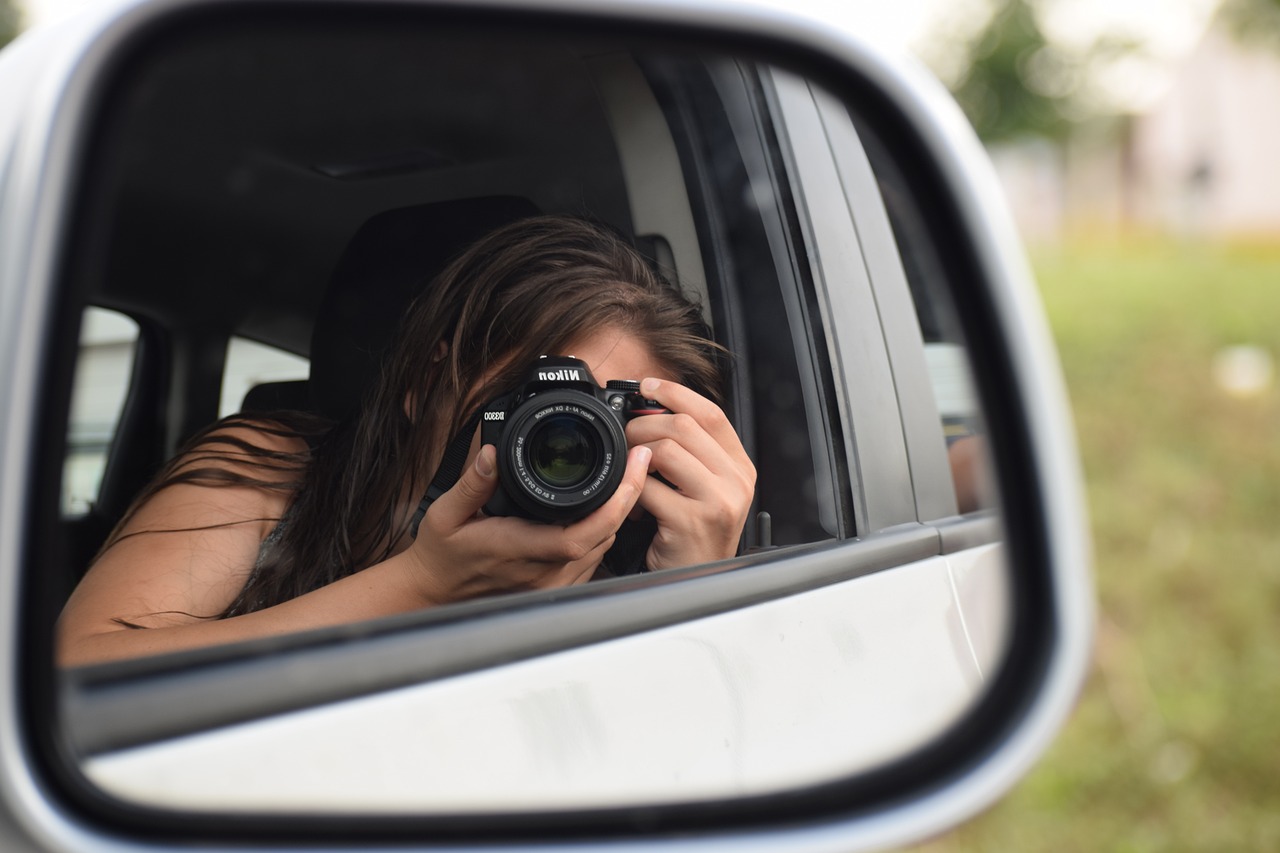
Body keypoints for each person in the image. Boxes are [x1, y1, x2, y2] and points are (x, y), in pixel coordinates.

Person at [57, 215, 756, 667]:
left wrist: (689, 594)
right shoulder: (271, 471)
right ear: (427, 382)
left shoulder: (627, 578)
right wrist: (422, 582)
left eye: (602, 419)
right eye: (530, 395)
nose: (561, 436)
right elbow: (81, 670)